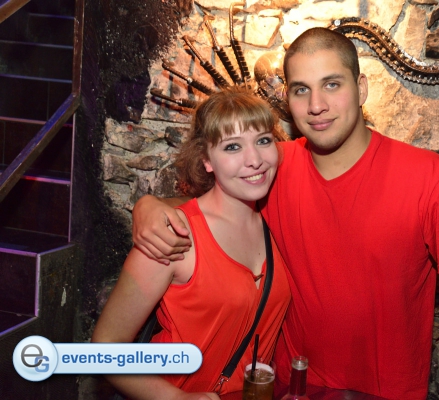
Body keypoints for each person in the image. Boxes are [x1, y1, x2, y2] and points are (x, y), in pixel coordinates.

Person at [131, 28, 439, 400]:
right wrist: (150, 207)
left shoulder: (428, 177)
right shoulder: (271, 167)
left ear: (361, 89)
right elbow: (212, 208)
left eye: (332, 84)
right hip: (290, 389)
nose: (316, 105)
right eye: (301, 90)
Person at [92, 86, 291, 399]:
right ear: (206, 160)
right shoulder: (173, 235)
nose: (254, 160)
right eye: (232, 147)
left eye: (263, 141)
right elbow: (105, 348)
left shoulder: (278, 222)